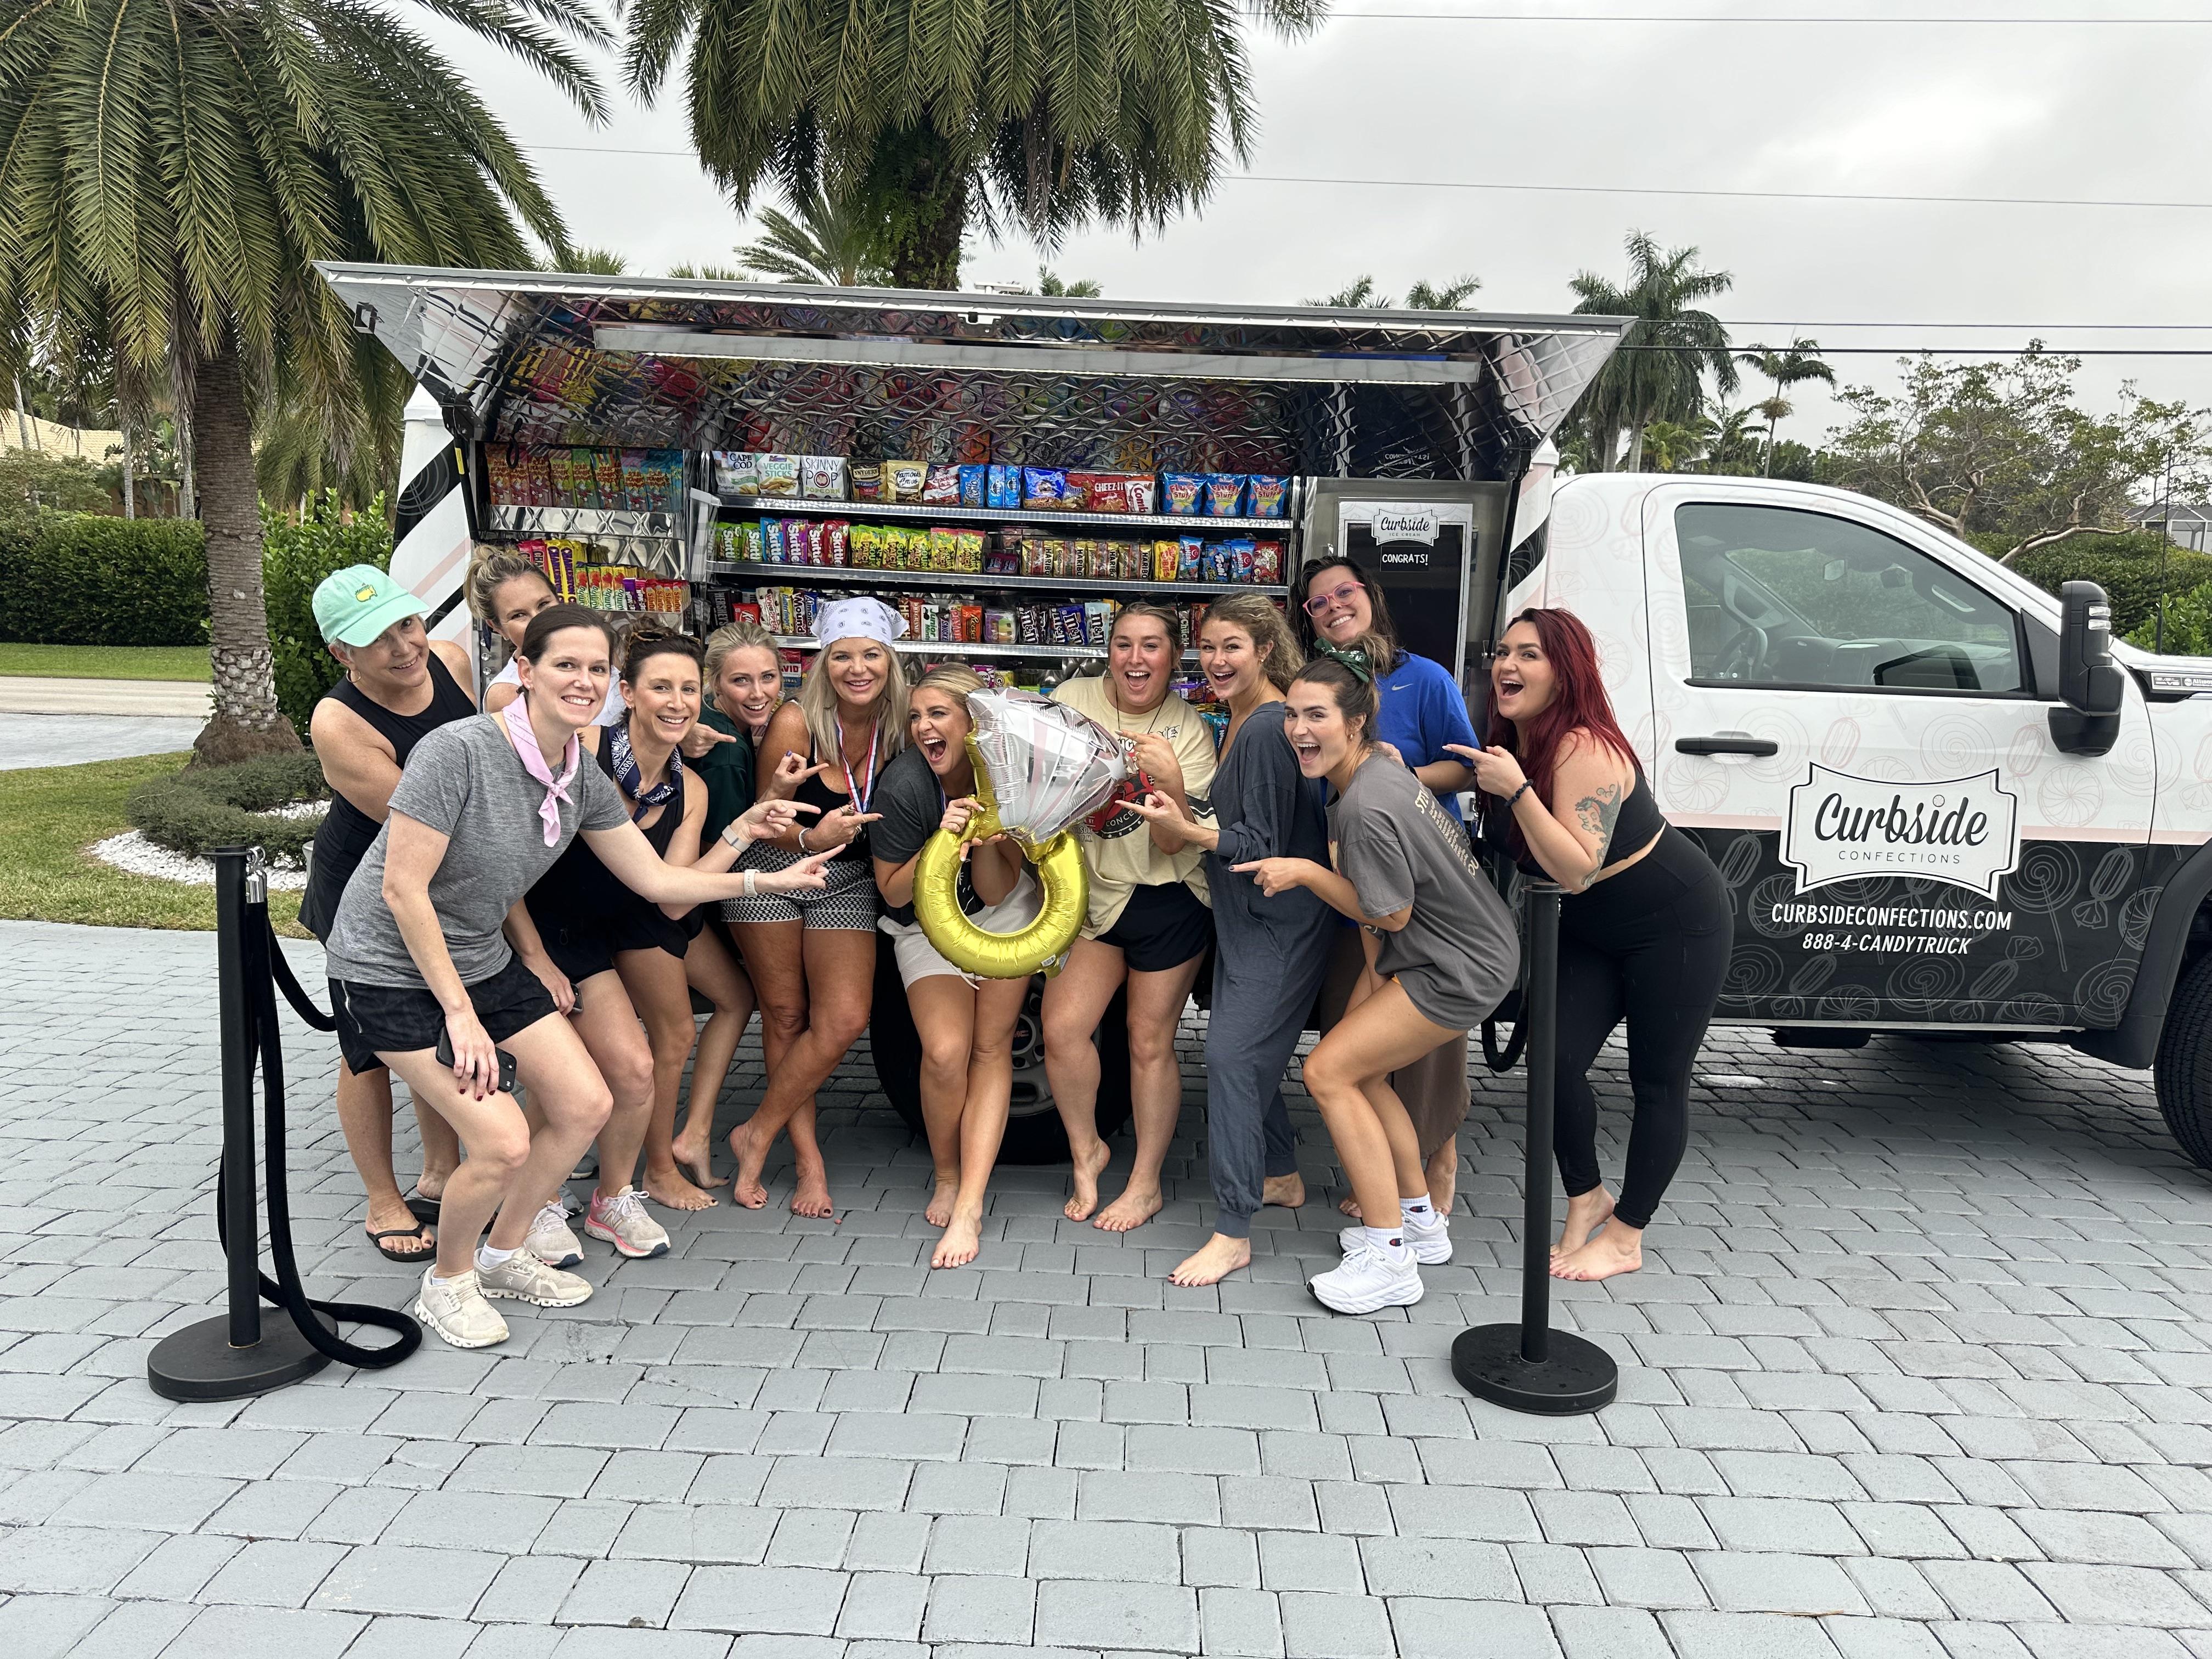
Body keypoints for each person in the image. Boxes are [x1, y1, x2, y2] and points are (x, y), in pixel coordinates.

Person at [321, 605, 830, 1349]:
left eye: (597, 668)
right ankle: (449, 1281)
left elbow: (658, 882)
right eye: (566, 665)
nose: (584, 681)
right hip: (388, 968)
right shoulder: (457, 750)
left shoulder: (577, 774)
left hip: (477, 957)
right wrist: (461, 1015)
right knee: (502, 1142)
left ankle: (503, 1255)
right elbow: (402, 889)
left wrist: (765, 878)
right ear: (525, 672)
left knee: (587, 1102)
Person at [1456, 607, 1732, 1283]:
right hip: (1590, 927)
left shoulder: (1585, 748)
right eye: (1504, 652)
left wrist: (1518, 792)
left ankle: (1627, 1235)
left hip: (1675, 921)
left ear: (1565, 671)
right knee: (1553, 1063)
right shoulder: (1518, 740)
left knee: (1657, 1081)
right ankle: (1587, 1197)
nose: (1508, 665)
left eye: (1529, 655)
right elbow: (1466, 779)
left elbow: (1576, 867)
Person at [1235, 658, 1519, 1314]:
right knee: (1357, 1072)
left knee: (1326, 1073)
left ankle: (1389, 1258)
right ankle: (1420, 1223)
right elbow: (1385, 921)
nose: (1299, 730)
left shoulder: (1363, 804)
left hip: (1456, 966)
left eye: (1317, 716)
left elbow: (1389, 915)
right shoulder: (1377, 773)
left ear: (1356, 722)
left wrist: (1306, 872)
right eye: (1292, 715)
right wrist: (1371, 980)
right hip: (1458, 952)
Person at [1122, 595, 1331, 1286]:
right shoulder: (1239, 717)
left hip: (1278, 924)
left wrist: (1183, 825)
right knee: (1248, 1052)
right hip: (1245, 921)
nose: (1216, 660)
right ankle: (1281, 1174)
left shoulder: (1268, 727)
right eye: (1208, 647)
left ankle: (1233, 1231)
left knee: (1232, 1058)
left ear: (1265, 650)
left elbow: (1259, 843)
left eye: (1232, 646)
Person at [521, 630, 760, 1228]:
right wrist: (533, 955)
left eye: (689, 690)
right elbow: (509, 864)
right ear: (626, 693)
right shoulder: (581, 746)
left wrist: (745, 831)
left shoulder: (690, 787)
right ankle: (536, 1199)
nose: (678, 703)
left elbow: (671, 899)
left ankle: (615, 1193)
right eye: (661, 688)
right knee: (569, 1069)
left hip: (611, 925)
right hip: (540, 926)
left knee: (635, 1064)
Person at [1295, 554, 1481, 1223]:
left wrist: (1402, 776)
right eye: (1319, 602)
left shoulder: (1424, 678)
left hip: (1422, 896)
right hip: (1352, 896)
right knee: (1357, 1038)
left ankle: (1438, 1165)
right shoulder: (1311, 688)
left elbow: (1468, 769)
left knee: (1428, 1050)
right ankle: (1385, 1173)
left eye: (1344, 592)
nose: (1334, 606)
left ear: (1369, 595)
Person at [300, 566, 470, 1263]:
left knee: (432, 1023)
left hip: (441, 879)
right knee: (367, 1046)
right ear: (341, 652)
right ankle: (382, 1199)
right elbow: (426, 824)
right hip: (362, 889)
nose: (404, 647)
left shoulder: (451, 660)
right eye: (378, 638)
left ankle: (442, 1171)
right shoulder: (338, 722)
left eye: (407, 623)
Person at [723, 597, 902, 1216]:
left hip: (846, 877)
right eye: (842, 656)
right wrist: (809, 839)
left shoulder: (902, 723)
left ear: (890, 661)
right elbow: (764, 820)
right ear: (824, 663)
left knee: (845, 1017)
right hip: (774, 869)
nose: (858, 669)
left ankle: (756, 1130)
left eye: (871, 655)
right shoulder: (797, 721)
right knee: (786, 1014)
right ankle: (808, 1162)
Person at [1044, 602, 1217, 1232]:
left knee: (1149, 1043)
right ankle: (1087, 1149)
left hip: (1169, 898)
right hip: (1092, 896)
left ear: (1174, 657)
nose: (1135, 659)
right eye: (1124, 644)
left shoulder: (1189, 732)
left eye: (1151, 646)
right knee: (1063, 1030)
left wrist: (1169, 782)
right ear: (1109, 650)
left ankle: (1145, 1184)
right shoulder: (1072, 699)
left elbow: (1173, 844)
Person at [871, 665, 1037, 1268]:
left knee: (990, 1048)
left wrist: (986, 837)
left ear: (973, 723)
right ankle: (946, 1173)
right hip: (925, 924)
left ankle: (970, 1203)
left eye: (938, 714)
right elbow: (892, 892)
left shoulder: (1005, 775)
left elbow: (995, 893)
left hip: (1002, 916)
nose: (923, 727)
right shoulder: (905, 784)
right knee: (945, 1052)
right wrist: (938, 843)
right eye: (916, 716)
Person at [668, 615, 787, 1188]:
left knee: (733, 1002)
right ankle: (655, 1158)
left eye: (768, 677)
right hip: (672, 905)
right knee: (666, 1037)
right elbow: (727, 849)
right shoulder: (725, 748)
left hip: (675, 899)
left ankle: (692, 1136)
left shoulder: (725, 732)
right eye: (741, 681)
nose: (759, 692)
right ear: (714, 684)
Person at [473, 550, 627, 730]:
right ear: (496, 627)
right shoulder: (506, 693)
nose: (539, 619)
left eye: (544, 604)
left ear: (558, 598)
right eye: (519, 615)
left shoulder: (597, 648)